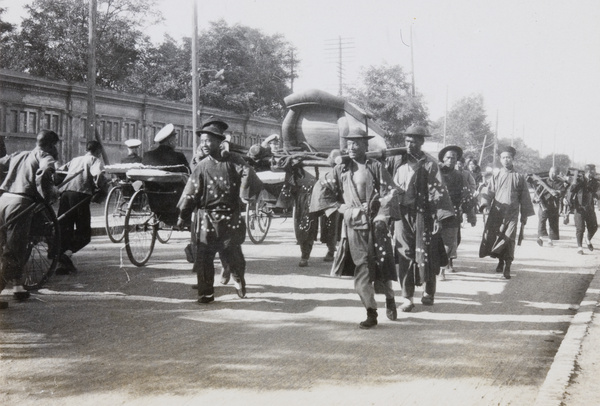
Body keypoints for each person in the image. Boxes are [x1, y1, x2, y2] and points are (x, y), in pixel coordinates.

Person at [310, 128, 400, 329]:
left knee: (381, 266)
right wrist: (337, 207)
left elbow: (391, 191)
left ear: (365, 146)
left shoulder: (375, 166)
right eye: (349, 143)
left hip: (377, 224)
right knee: (362, 267)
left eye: (356, 143)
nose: (351, 147)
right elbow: (321, 187)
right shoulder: (341, 169)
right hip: (354, 225)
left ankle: (390, 297)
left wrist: (380, 212)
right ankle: (371, 311)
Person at [177, 119, 262, 304]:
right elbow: (191, 195)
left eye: (209, 141)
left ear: (219, 142)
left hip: (230, 217)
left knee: (233, 255)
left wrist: (243, 194)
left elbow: (249, 174)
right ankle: (206, 294)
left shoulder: (235, 160)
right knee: (204, 257)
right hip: (207, 217)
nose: (205, 145)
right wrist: (183, 215)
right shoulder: (201, 166)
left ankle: (238, 279)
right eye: (202, 141)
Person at [386, 125, 455, 312]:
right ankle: (407, 297)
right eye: (407, 141)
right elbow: (382, 179)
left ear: (422, 142)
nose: (409, 144)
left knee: (428, 253)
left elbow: (439, 193)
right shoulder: (396, 161)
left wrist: (438, 219)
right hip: (401, 214)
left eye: (414, 141)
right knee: (404, 253)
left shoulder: (430, 164)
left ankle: (428, 292)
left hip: (424, 214)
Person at [0, 129, 60, 308]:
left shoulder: (20, 154)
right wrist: (49, 195)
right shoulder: (46, 156)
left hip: (2, 201)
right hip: (20, 204)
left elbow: (1, 162)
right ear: (50, 145)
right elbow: (44, 174)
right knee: (15, 251)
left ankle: (18, 287)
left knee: (5, 247)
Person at [479, 146, 535, 279]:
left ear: (512, 159)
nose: (506, 160)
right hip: (497, 213)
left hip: (512, 214)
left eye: (508, 157)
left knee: (509, 239)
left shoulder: (519, 177)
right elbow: (489, 192)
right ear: (500, 159)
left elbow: (525, 197)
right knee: (498, 237)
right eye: (503, 157)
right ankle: (500, 261)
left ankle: (508, 266)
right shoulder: (496, 175)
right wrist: (485, 205)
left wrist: (524, 215)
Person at [56, 140, 110, 274]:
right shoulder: (94, 160)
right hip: (80, 196)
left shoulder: (75, 159)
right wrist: (104, 186)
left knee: (64, 229)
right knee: (84, 234)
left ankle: (62, 264)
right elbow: (98, 176)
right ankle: (66, 255)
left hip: (65, 194)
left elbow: (59, 173)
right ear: (98, 151)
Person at [438, 145, 477, 280]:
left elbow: (465, 196)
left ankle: (442, 270)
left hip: (452, 213)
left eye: (454, 158)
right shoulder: (435, 173)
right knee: (435, 242)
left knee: (449, 243)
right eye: (448, 157)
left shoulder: (460, 176)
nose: (451, 160)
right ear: (443, 158)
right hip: (435, 213)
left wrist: (470, 214)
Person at [568, 164, 600, 254]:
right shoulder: (579, 180)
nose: (595, 172)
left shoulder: (595, 182)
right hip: (579, 208)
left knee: (594, 227)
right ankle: (580, 247)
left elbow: (598, 191)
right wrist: (569, 203)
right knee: (580, 229)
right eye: (593, 170)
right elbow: (571, 191)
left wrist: (596, 195)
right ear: (589, 171)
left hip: (590, 209)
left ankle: (588, 239)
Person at [533, 166, 568, 247]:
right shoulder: (543, 181)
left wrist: (557, 192)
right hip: (543, 204)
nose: (552, 174)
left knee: (553, 222)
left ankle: (550, 239)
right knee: (542, 220)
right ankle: (540, 238)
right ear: (549, 172)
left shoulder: (560, 183)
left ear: (558, 174)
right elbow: (537, 192)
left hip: (554, 205)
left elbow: (562, 192)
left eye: (554, 173)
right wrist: (536, 199)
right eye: (551, 172)